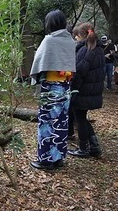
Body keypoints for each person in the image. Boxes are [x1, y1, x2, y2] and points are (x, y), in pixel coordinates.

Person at [29, 10, 76, 170]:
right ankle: (58, 158)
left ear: (50, 23)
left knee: (47, 122)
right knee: (61, 122)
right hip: (65, 87)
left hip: (51, 87)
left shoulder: (49, 40)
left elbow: (39, 62)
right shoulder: (70, 40)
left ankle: (46, 160)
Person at [67, 23, 104, 158]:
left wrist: (72, 89)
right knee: (83, 118)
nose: (75, 39)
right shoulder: (98, 49)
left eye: (76, 36)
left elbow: (79, 72)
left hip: (83, 91)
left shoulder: (86, 50)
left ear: (81, 36)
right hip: (93, 91)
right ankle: (94, 146)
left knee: (80, 118)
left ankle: (84, 148)